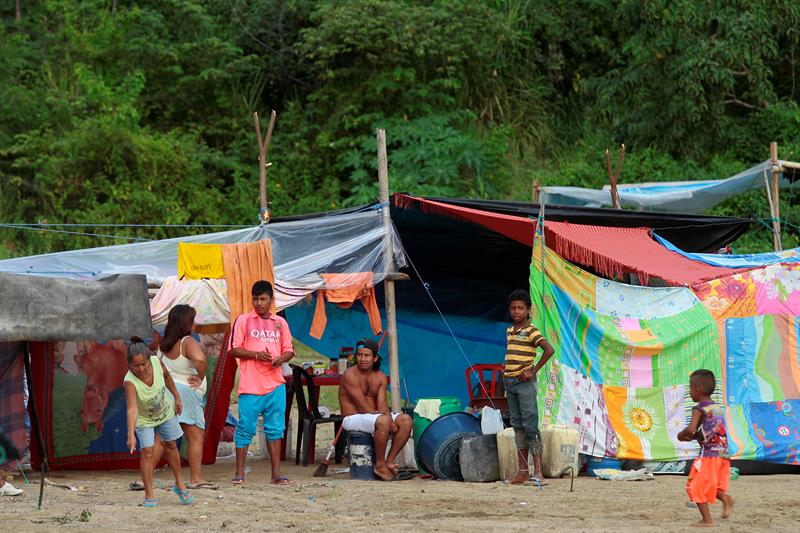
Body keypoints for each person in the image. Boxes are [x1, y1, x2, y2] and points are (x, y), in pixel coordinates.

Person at [229, 280, 294, 486]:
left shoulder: (280, 323)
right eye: (255, 299)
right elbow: (234, 349)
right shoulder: (243, 320)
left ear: (271, 300)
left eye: (263, 299)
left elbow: (289, 350)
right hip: (251, 385)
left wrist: (281, 359)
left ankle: (276, 474)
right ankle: (239, 473)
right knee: (245, 428)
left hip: (275, 384)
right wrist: (256, 355)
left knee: (275, 430)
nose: (258, 303)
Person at [124, 338, 194, 507]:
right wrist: (131, 434)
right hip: (144, 419)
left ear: (150, 359)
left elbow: (167, 377)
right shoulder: (130, 381)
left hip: (165, 412)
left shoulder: (157, 362)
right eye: (136, 366)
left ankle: (179, 484)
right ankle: (149, 494)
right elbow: (132, 409)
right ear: (129, 365)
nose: (141, 369)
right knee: (147, 452)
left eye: (144, 364)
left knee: (171, 445)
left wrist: (177, 397)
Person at [158, 305, 217, 490]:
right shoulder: (188, 341)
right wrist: (200, 376)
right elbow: (200, 358)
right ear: (187, 323)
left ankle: (145, 478)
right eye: (193, 320)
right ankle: (196, 478)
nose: (195, 324)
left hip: (166, 392)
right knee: (195, 437)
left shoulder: (163, 344)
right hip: (186, 394)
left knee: (161, 438)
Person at [339, 338, 413, 481]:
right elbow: (361, 405)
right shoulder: (349, 375)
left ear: (375, 358)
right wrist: (386, 420)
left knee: (406, 420)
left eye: (367, 355)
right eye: (360, 355)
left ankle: (388, 462)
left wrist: (389, 418)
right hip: (352, 417)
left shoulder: (380, 376)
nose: (362, 359)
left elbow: (382, 404)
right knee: (383, 421)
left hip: (374, 416)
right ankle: (379, 464)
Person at [503, 289, 555, 485]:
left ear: (528, 310)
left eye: (520, 308)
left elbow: (549, 349)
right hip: (510, 382)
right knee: (517, 426)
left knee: (530, 425)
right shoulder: (510, 331)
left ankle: (538, 471)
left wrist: (533, 371)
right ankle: (523, 471)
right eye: (513, 308)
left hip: (524, 384)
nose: (516, 311)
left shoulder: (532, 330)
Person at [678, 369, 734, 527]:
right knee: (710, 484)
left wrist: (681, 435)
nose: (689, 392)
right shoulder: (716, 407)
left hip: (708, 455)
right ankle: (726, 498)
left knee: (695, 485)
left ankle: (707, 520)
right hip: (723, 454)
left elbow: (690, 429)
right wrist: (695, 436)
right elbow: (709, 431)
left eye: (690, 388)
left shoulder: (698, 409)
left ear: (697, 389)